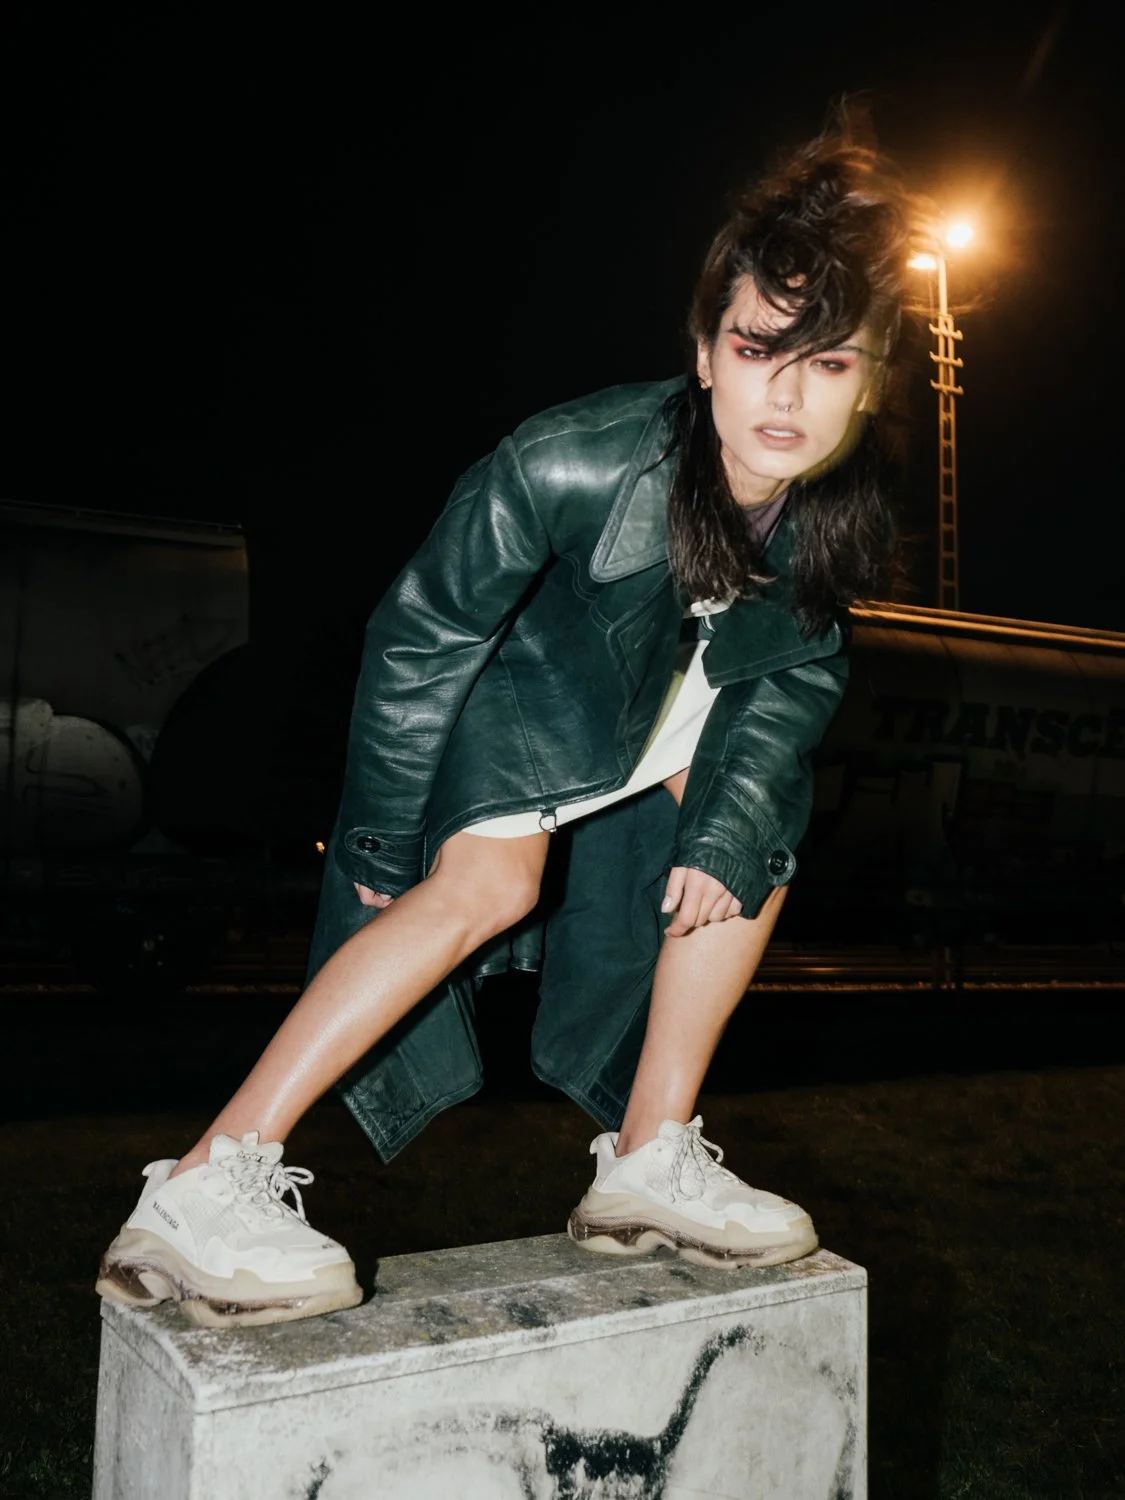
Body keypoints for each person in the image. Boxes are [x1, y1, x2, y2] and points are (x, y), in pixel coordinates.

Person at [96, 120, 919, 1328]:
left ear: (869, 381)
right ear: (705, 353)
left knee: (758, 834)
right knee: (492, 886)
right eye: (760, 349)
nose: (790, 394)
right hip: (529, 696)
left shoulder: (826, 523)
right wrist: (381, 842)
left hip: (661, 719)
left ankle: (649, 1157)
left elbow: (789, 682)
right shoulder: (573, 460)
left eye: (833, 362)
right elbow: (424, 631)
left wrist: (725, 827)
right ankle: (208, 1183)